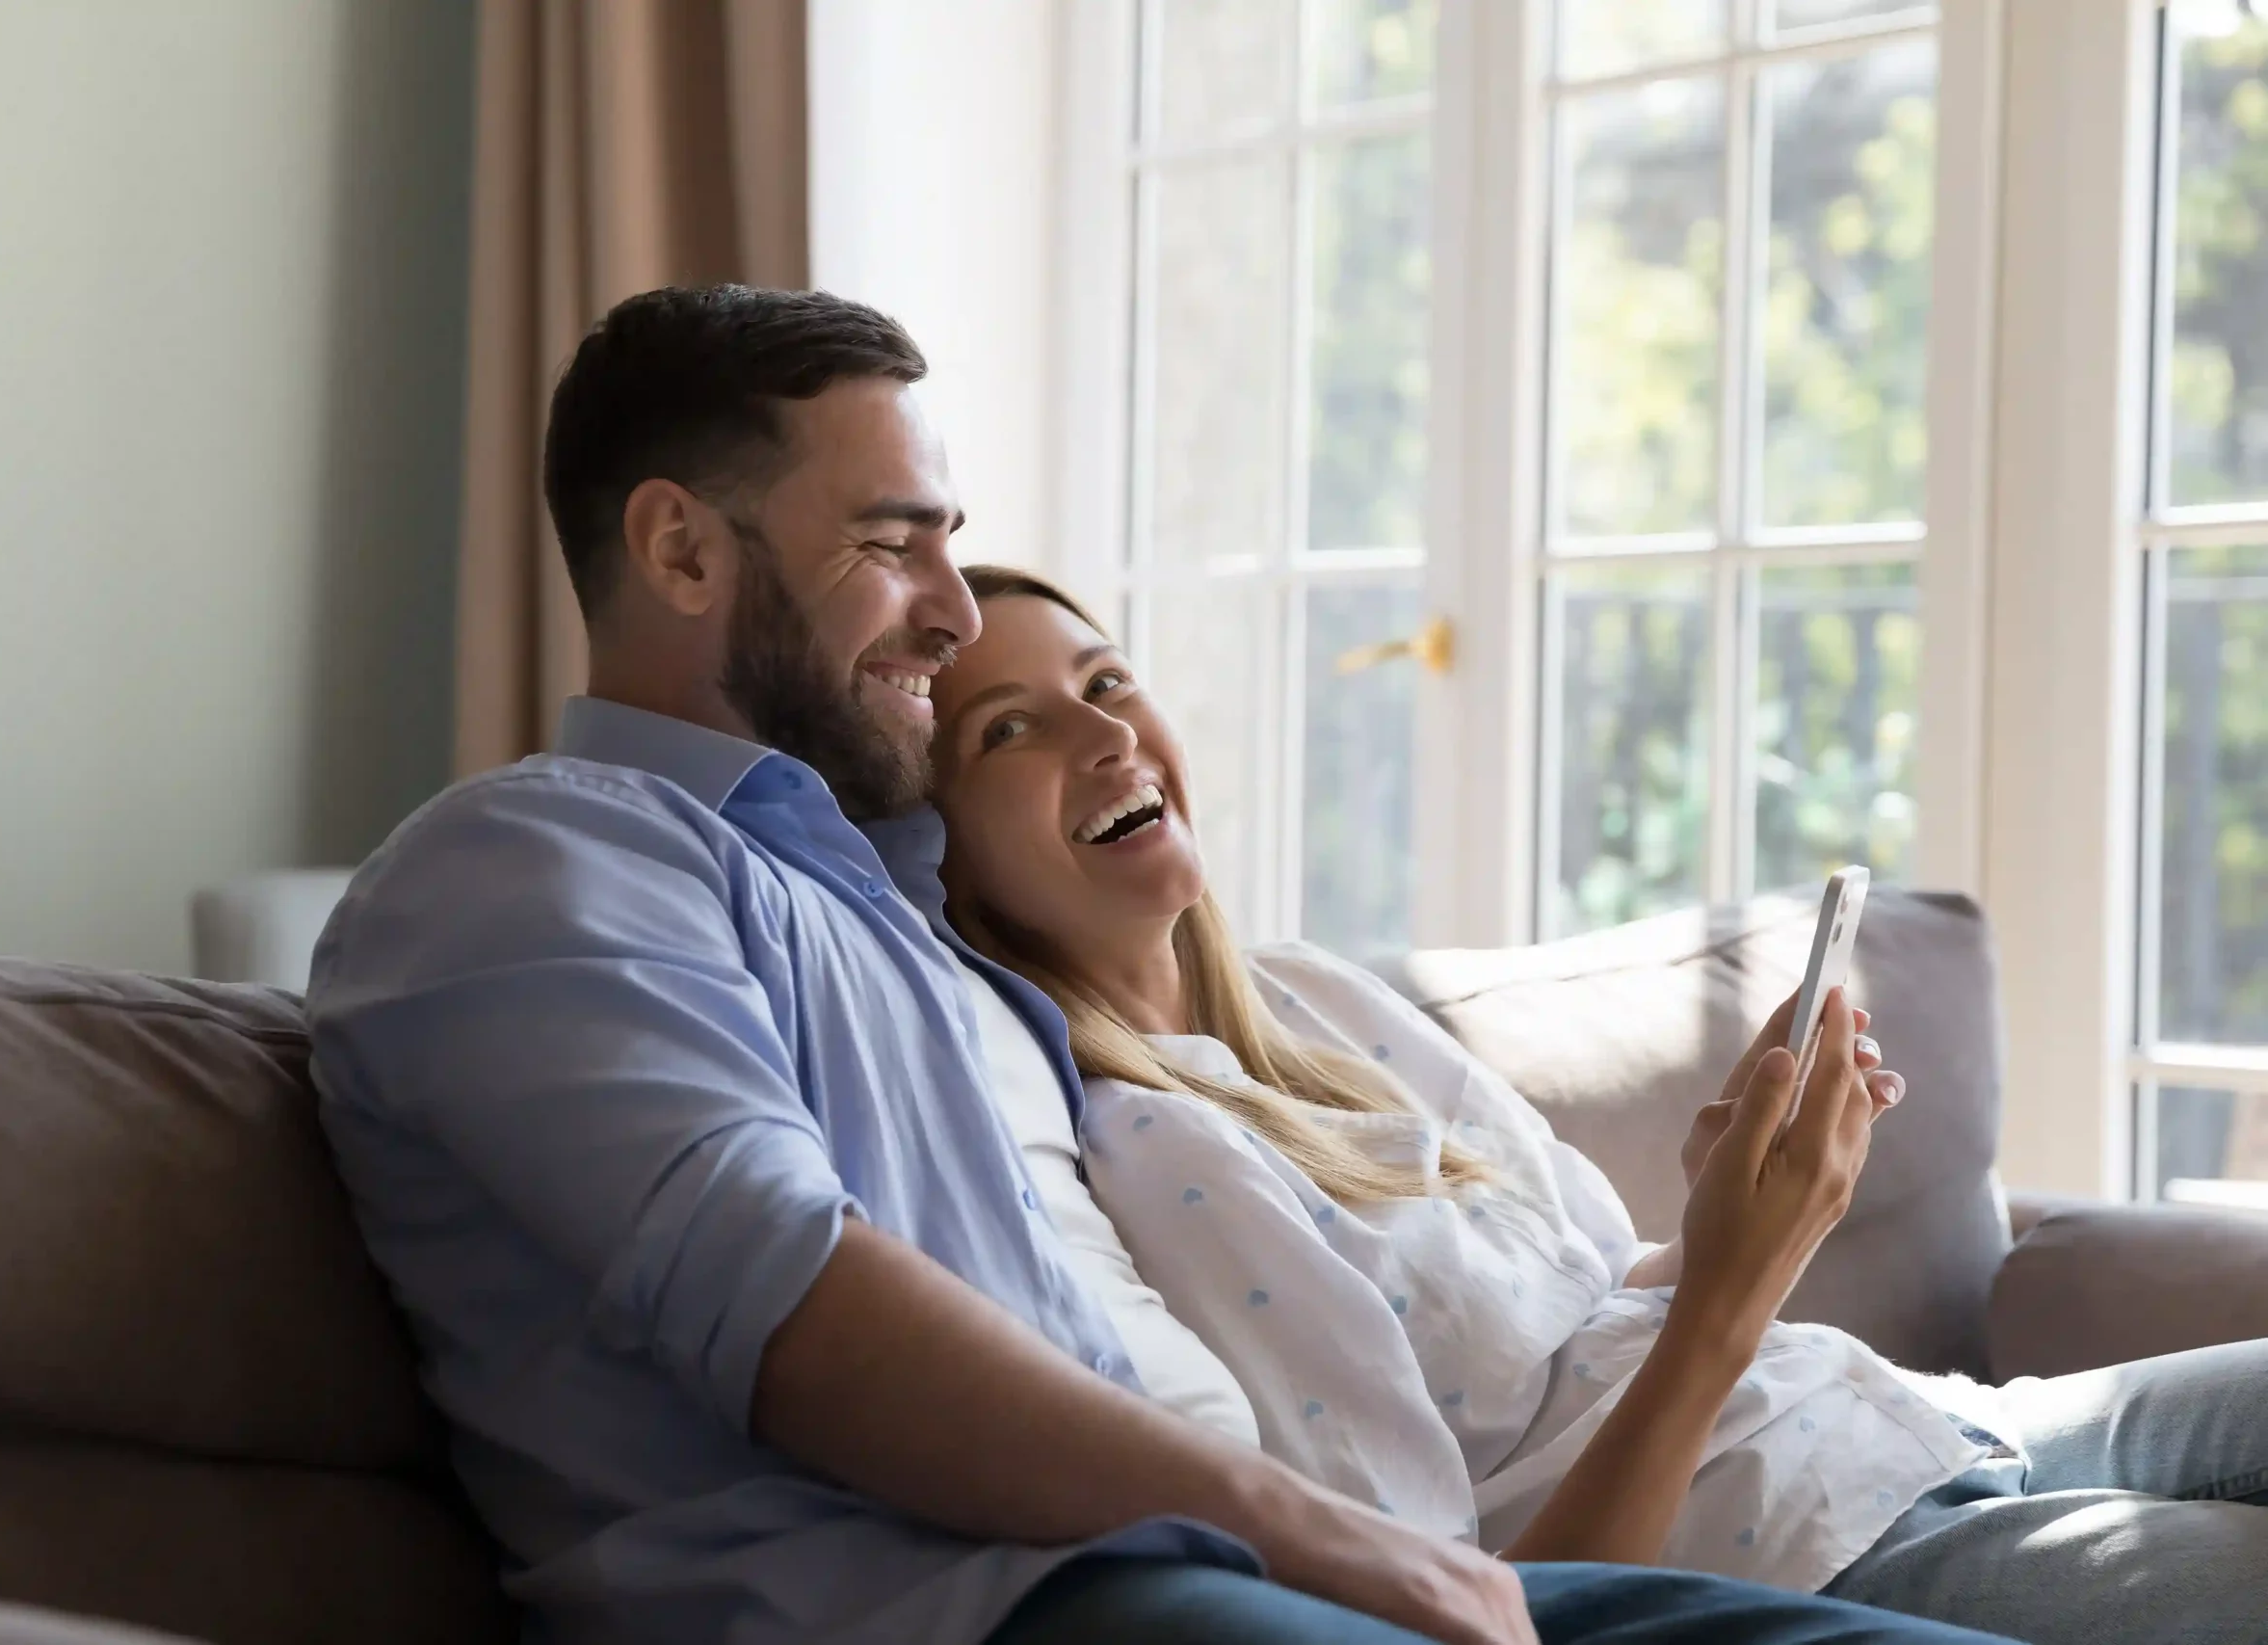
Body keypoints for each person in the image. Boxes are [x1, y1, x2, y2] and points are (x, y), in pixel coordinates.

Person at [304, 282, 2020, 1645]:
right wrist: (1308, 1527)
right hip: (995, 1600)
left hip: (1175, 1558)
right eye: (893, 542)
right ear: (682, 551)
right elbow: (797, 1308)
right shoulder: (527, 865)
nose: (953, 609)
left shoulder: (897, 920)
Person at [924, 562, 2268, 1645]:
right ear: (942, 847)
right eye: (1010, 729)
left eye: (1105, 680)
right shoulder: (1159, 1153)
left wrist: (1721, 1209)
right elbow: (1504, 1600)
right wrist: (1728, 1293)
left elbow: (1590, 1303)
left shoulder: (1308, 998)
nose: (1104, 732)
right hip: (1824, 1548)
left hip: (1923, 1422)